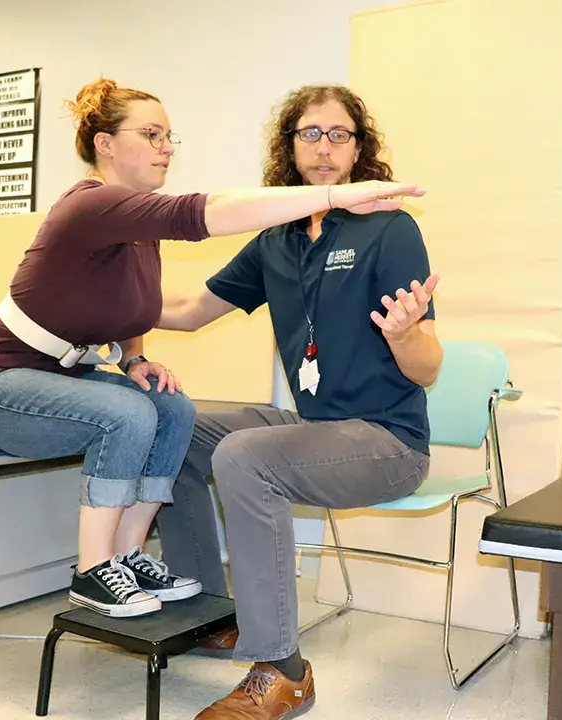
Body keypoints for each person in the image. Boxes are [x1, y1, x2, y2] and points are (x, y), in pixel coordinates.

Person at [0, 77, 427, 623]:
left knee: (171, 408)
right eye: (151, 134)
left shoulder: (137, 223)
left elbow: (143, 308)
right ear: (105, 144)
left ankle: (127, 556)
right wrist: (336, 194)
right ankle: (92, 568)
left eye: (170, 136)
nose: (166, 148)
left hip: (67, 376)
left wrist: (133, 359)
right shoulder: (92, 205)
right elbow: (203, 221)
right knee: (130, 412)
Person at [154, 84, 441, 719]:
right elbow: (191, 312)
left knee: (246, 457)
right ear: (290, 147)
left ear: (359, 150)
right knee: (174, 427)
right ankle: (210, 614)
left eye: (340, 134)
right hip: (315, 430)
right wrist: (105, 306)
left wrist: (405, 334)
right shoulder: (276, 240)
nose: (324, 146)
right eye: (310, 133)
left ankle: (284, 671)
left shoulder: (389, 230)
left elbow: (428, 369)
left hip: (386, 441)